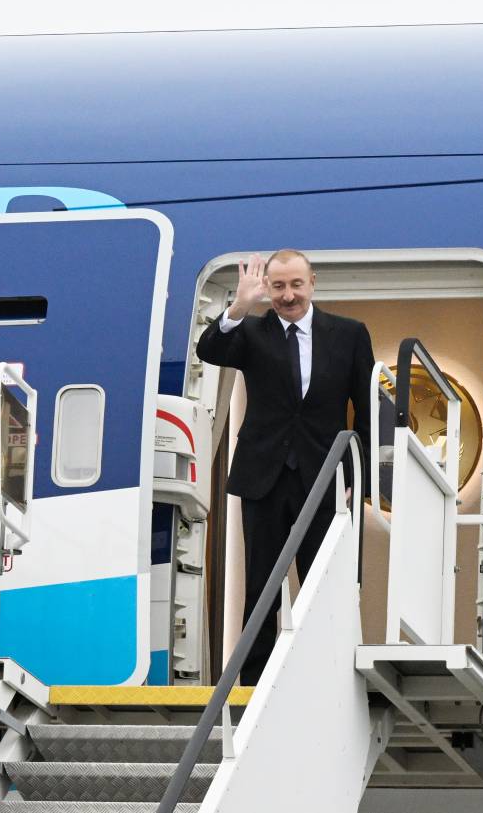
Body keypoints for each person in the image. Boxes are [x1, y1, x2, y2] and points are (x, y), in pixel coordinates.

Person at [197, 249, 374, 685]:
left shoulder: (349, 334)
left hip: (327, 479)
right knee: (261, 583)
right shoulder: (250, 331)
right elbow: (209, 350)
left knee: (325, 583)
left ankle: (328, 676)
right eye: (278, 286)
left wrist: (360, 477)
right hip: (264, 477)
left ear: (312, 282)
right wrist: (239, 306)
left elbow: (367, 413)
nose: (288, 295)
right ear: (268, 288)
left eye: (296, 284)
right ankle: (255, 682)